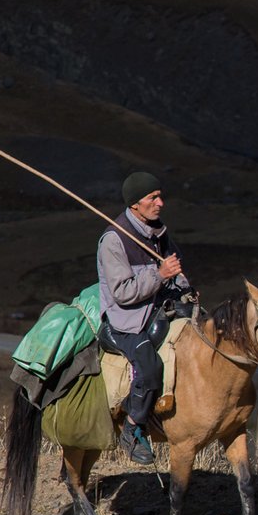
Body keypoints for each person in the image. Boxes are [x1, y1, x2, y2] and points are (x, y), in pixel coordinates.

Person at [97, 172, 192, 463]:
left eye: (160, 196)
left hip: (157, 310)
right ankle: (133, 427)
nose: (160, 203)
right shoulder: (114, 240)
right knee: (149, 367)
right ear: (135, 204)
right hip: (126, 321)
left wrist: (185, 290)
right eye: (153, 197)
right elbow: (123, 292)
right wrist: (159, 274)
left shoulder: (159, 233)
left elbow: (176, 273)